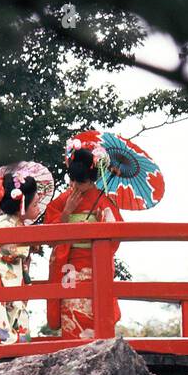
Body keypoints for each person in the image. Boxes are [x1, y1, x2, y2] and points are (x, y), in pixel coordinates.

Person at [41, 139, 123, 338]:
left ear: (93, 177)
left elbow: (116, 231)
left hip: (95, 265)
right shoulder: (63, 201)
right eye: (74, 180)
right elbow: (49, 237)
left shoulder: (103, 200)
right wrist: (66, 213)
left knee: (97, 312)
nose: (77, 185)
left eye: (82, 181)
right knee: (71, 310)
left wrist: (100, 220)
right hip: (69, 266)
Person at [0, 173, 39, 344]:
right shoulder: (2, 223)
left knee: (17, 311)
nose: (38, 207)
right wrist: (27, 246)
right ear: (22, 204)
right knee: (5, 316)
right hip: (3, 279)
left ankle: (18, 343)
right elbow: (7, 249)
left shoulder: (17, 224)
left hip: (13, 279)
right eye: (36, 203)